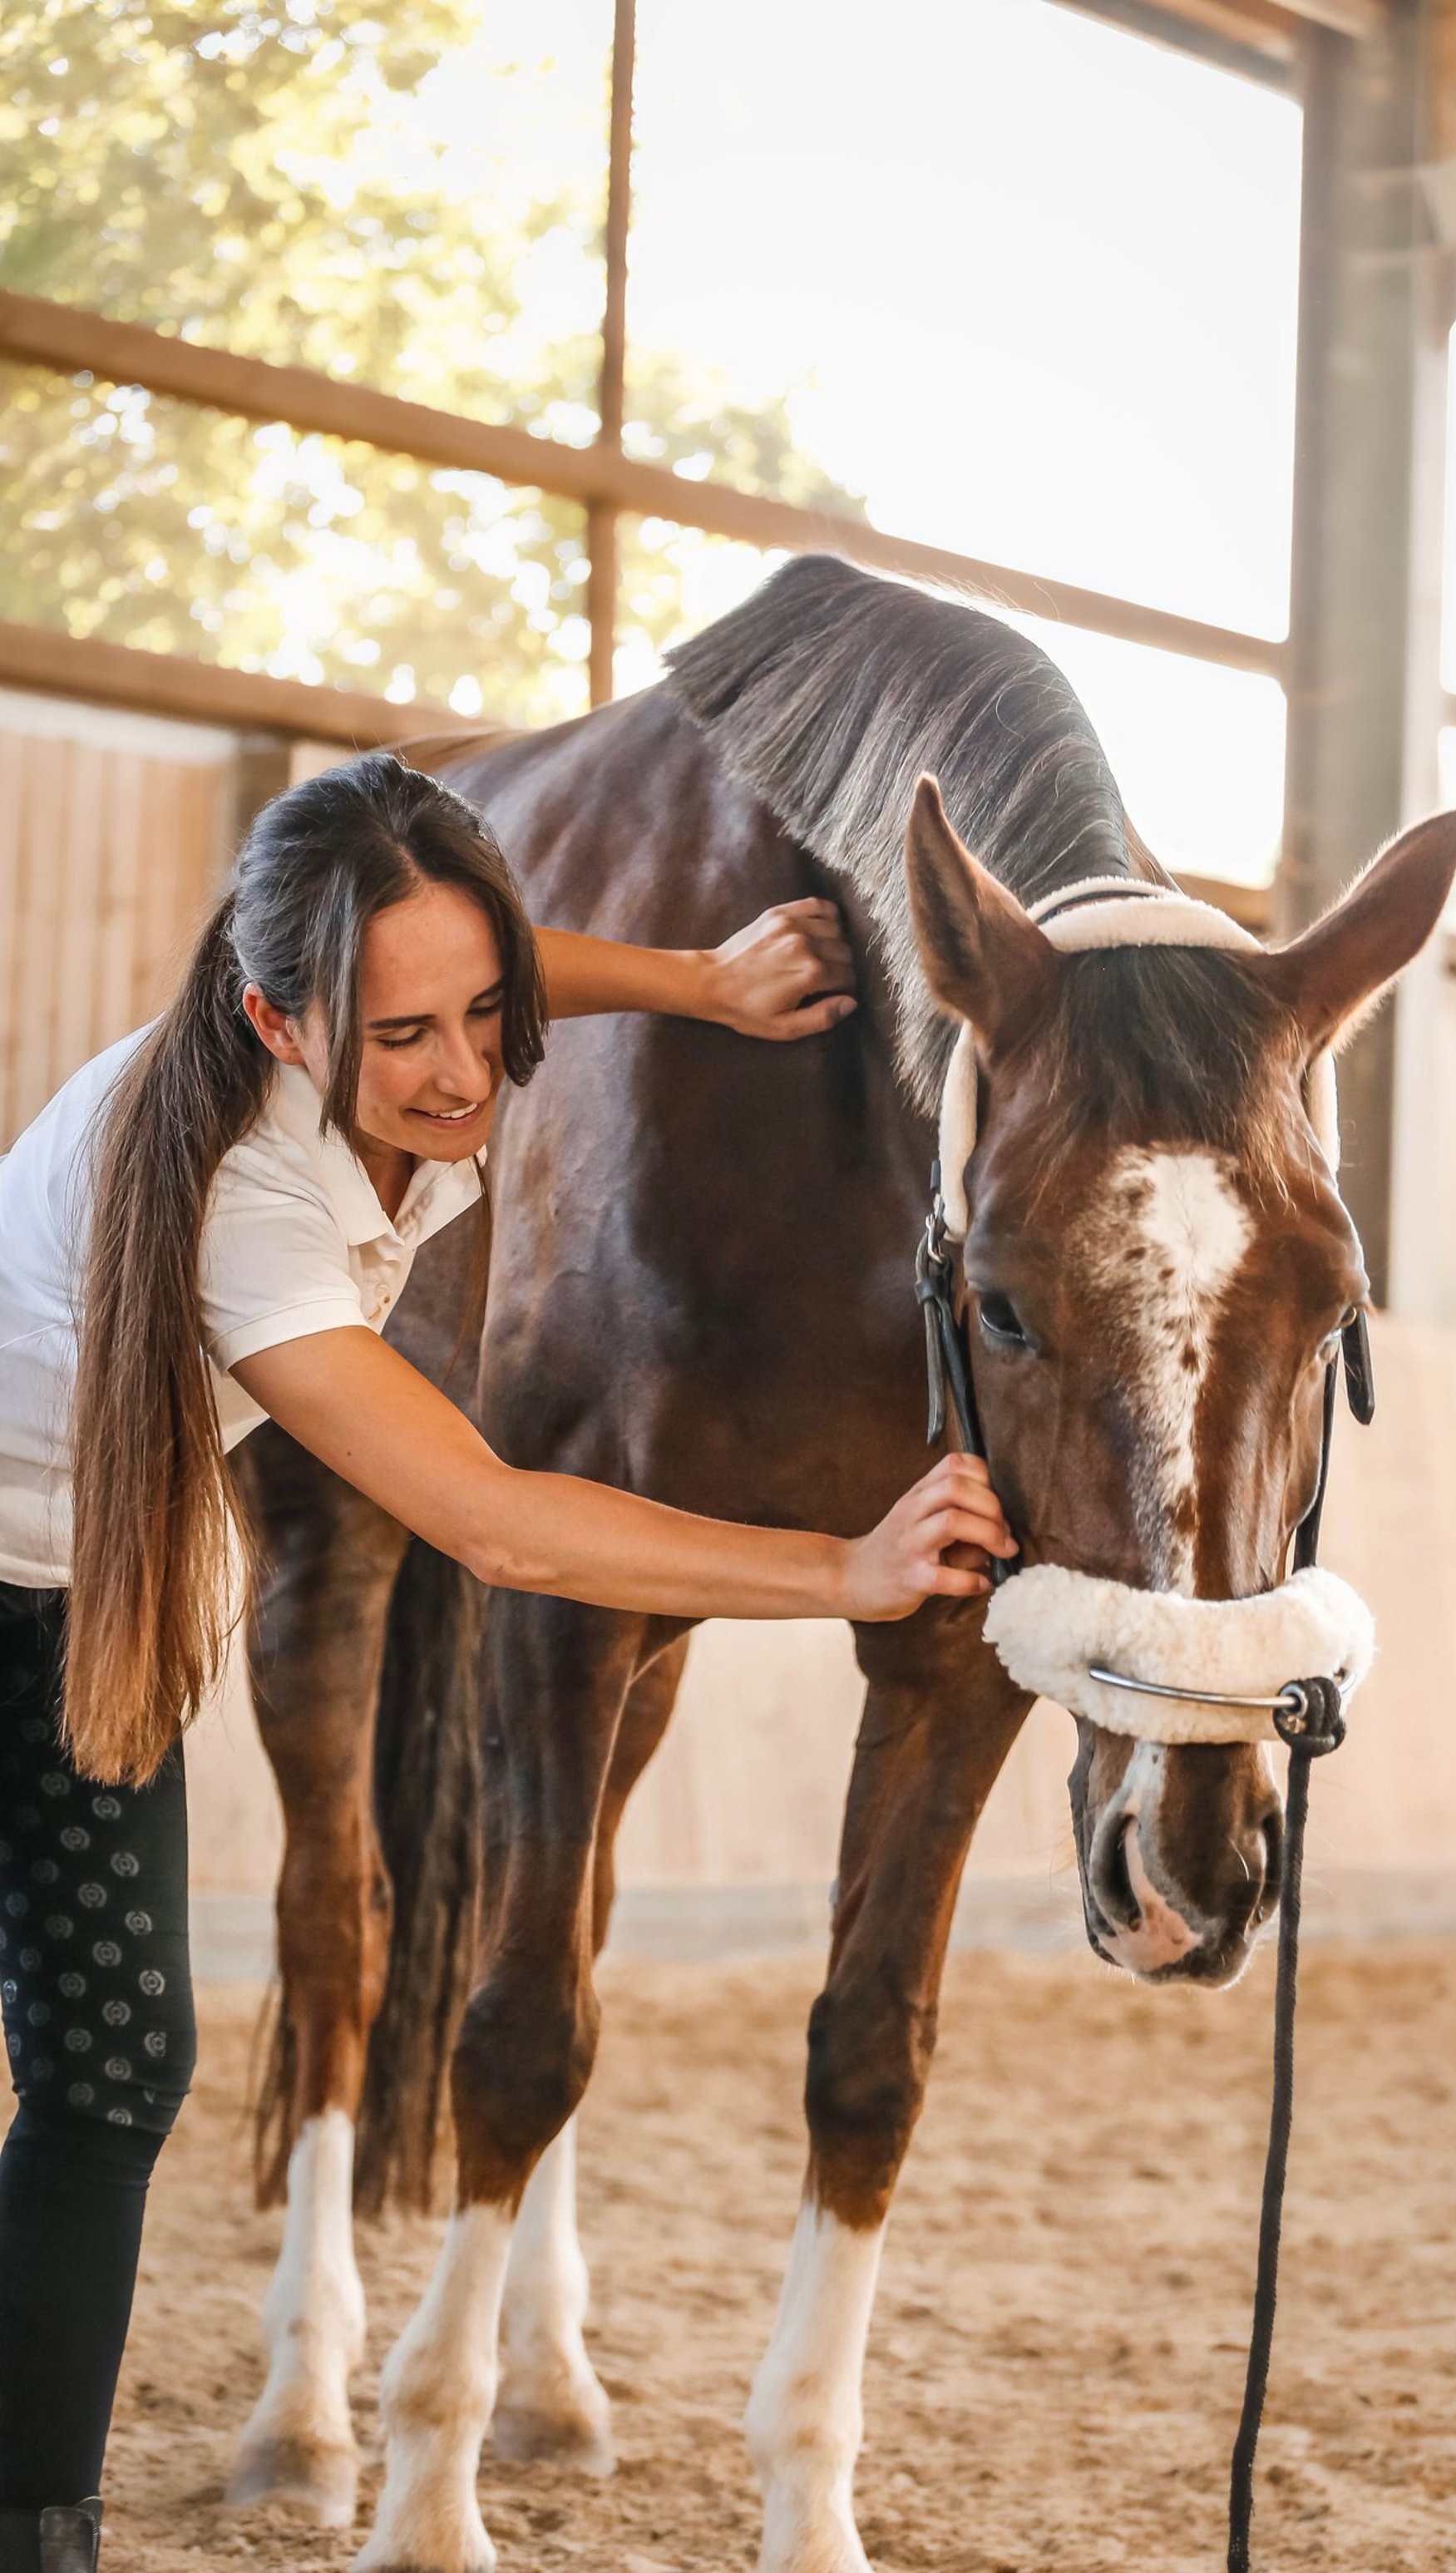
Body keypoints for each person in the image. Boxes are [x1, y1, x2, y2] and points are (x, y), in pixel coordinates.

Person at [0, 749, 1011, 2571]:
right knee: (102, 2058)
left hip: (78, 1597)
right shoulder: (252, 1199)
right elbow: (501, 1524)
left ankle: (32, 2521)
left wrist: (699, 982)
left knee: (121, 2059)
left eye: (486, 1013)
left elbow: (502, 967)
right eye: (405, 1037)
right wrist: (845, 1566)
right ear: (283, 1022)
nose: (465, 1069)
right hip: (18, 1578)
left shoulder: (412, 1057)